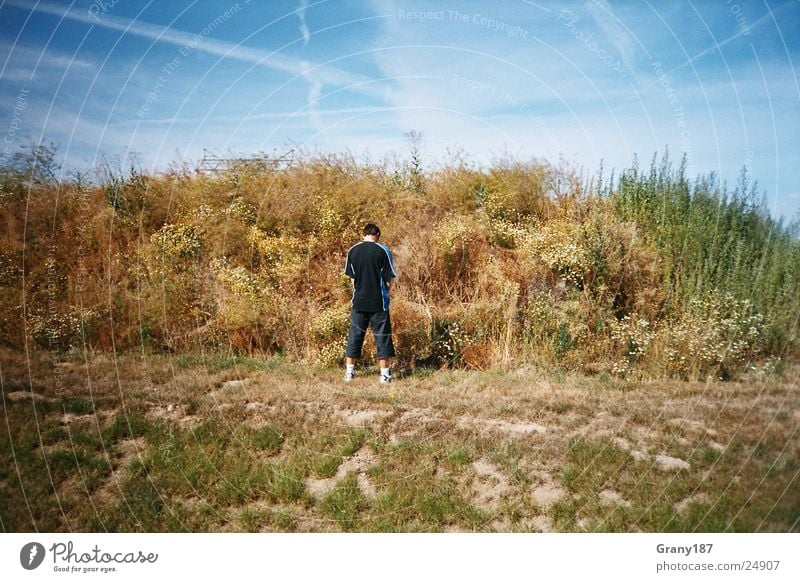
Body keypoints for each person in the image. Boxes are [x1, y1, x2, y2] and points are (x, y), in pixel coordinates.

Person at [343, 223, 397, 384]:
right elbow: (388, 280)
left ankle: (349, 373)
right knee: (382, 337)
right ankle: (385, 375)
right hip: (379, 303)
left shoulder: (353, 250)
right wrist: (386, 293)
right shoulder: (383, 250)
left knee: (355, 336)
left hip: (359, 302)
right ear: (378, 235)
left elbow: (352, 279)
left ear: (364, 234)